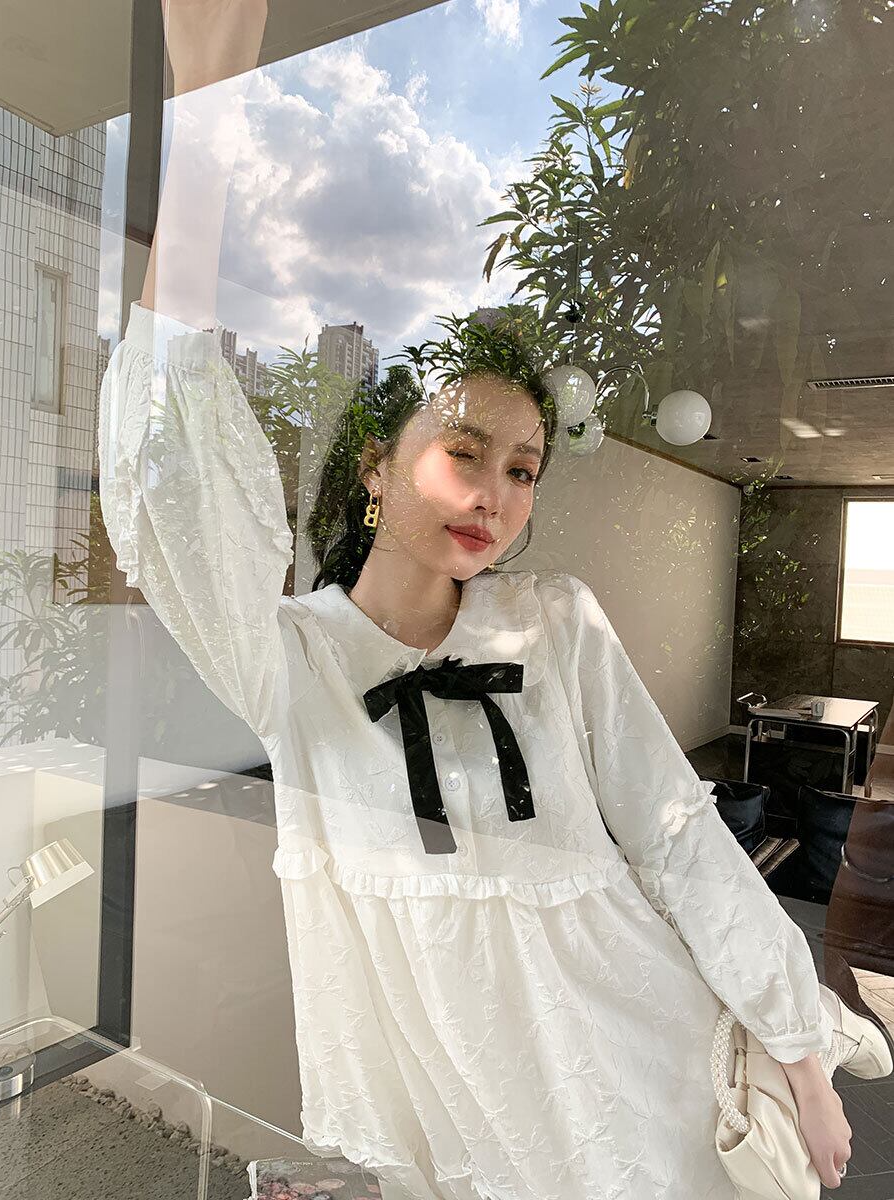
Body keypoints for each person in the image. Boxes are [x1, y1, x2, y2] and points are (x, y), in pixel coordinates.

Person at [98, 1, 865, 1195]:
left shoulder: (553, 621)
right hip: (462, 1124)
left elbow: (673, 830)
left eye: (524, 471)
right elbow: (171, 486)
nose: (496, 498)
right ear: (374, 463)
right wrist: (204, 113)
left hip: (638, 1072)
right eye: (464, 452)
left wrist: (800, 1051)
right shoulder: (295, 660)